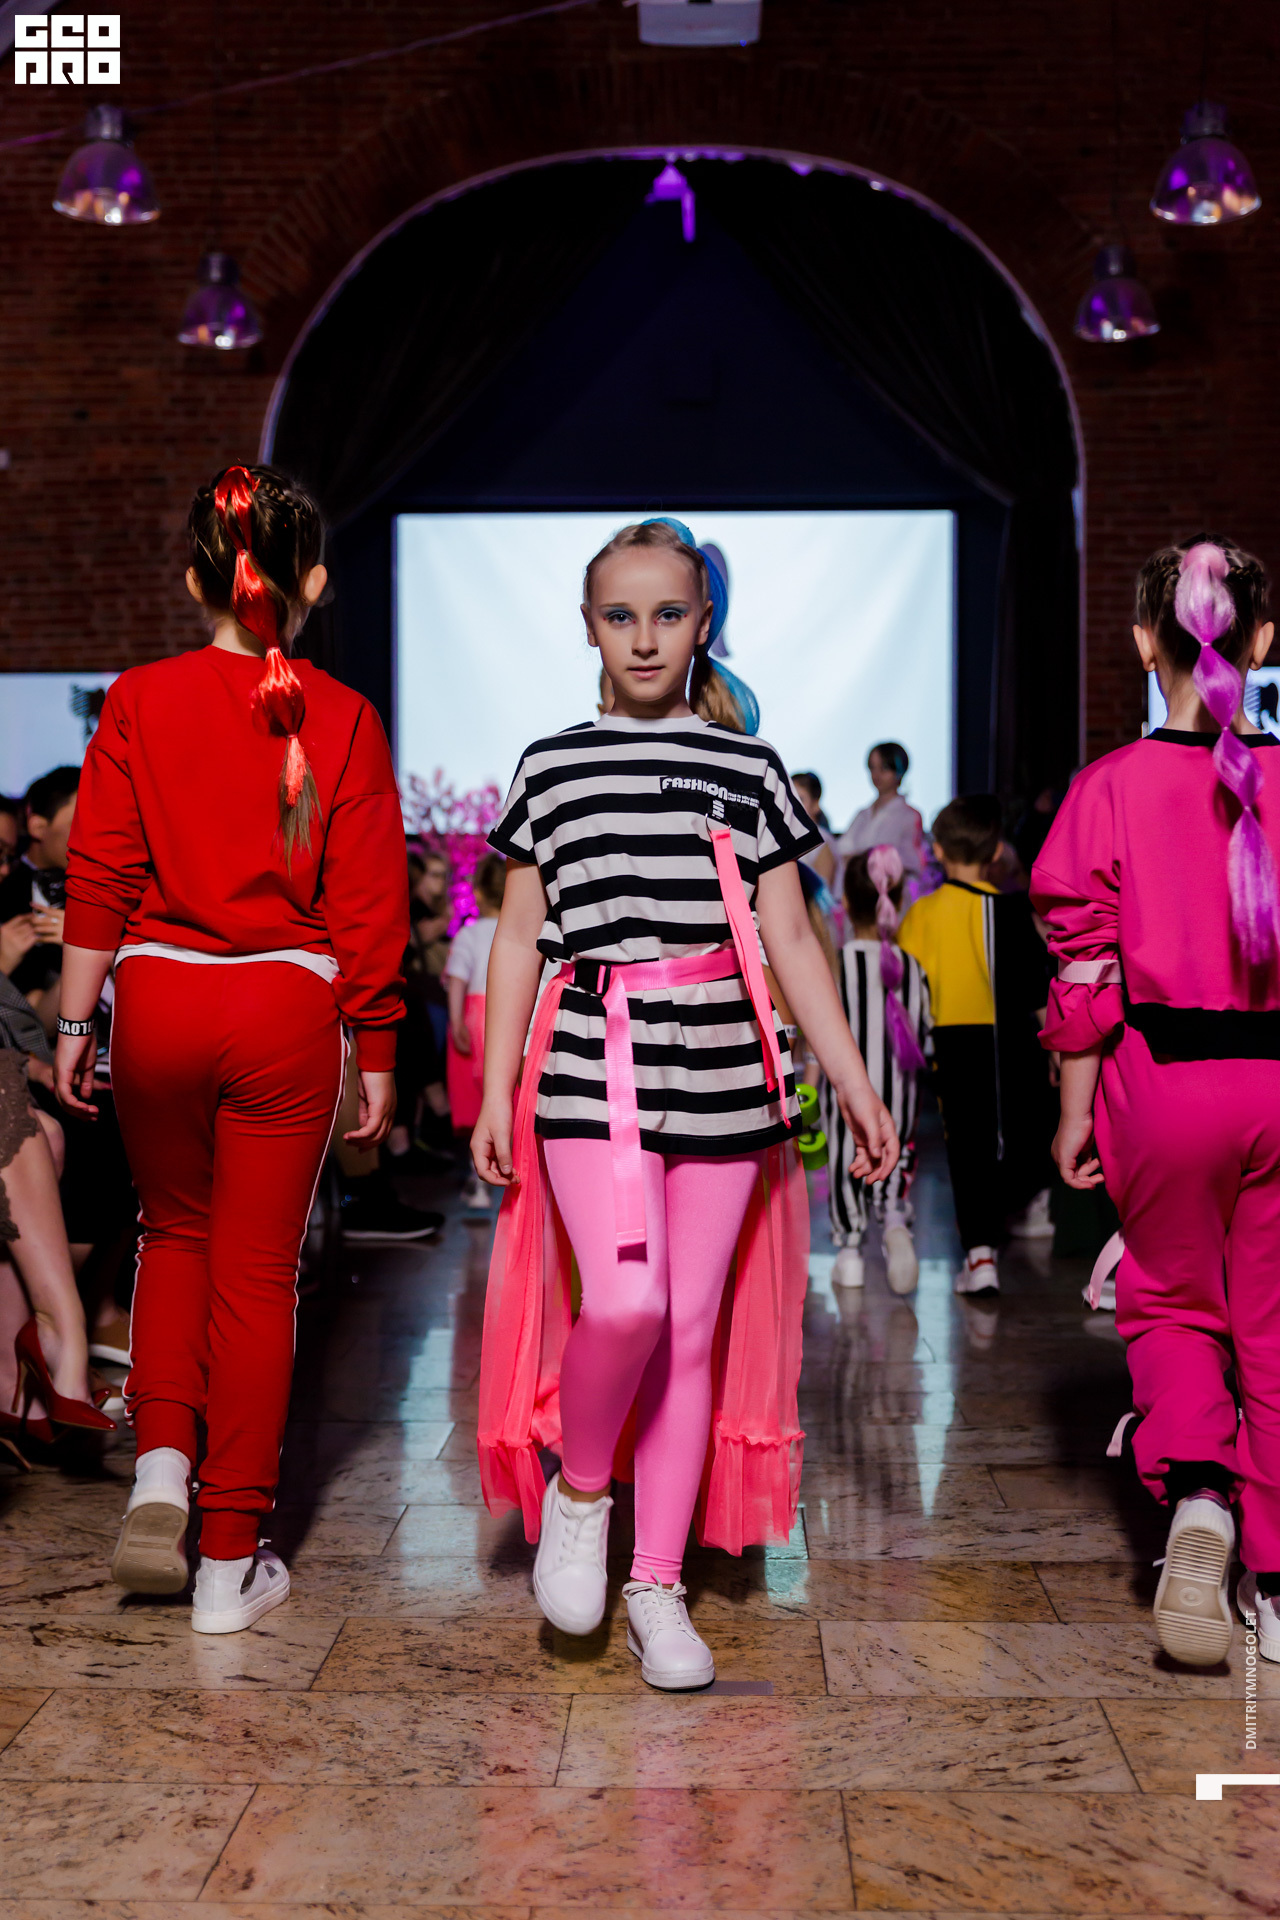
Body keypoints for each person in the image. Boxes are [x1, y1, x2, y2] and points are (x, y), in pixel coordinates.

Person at [473, 517, 898, 1690]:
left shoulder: (747, 769)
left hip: (721, 1067)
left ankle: (654, 1585)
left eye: (668, 613)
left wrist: (855, 1083)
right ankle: (581, 1495)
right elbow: (515, 937)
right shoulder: (549, 765)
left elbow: (792, 942)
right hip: (588, 1059)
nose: (645, 637)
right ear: (588, 627)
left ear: (703, 622)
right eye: (621, 615)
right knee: (625, 1304)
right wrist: (497, 1090)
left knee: (691, 1330)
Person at [56, 462, 408, 1634]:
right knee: (257, 1277)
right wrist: (379, 1047)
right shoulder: (343, 717)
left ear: (193, 578)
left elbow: (100, 871)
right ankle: (225, 1564)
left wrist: (75, 1021)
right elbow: (367, 905)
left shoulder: (139, 698)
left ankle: (159, 1468)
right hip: (282, 1010)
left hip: (157, 1001)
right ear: (311, 583)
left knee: (171, 1240)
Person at [1033, 535, 1280, 1669]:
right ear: (1261, 641)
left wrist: (1073, 1111)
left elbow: (1084, 976)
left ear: (1144, 642)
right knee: (1272, 1327)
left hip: (1162, 1082)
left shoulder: (1110, 789)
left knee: (1173, 1304)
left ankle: (1199, 1494)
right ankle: (1275, 1587)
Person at [899, 795, 1055, 1296]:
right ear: (995, 853)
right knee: (1014, 1133)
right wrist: (1056, 1050)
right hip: (1014, 1036)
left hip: (953, 1038)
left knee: (966, 1146)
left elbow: (907, 991)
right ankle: (1025, 1208)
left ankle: (980, 1255)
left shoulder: (922, 913)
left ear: (939, 851)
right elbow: (1037, 990)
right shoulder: (1012, 910)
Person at [822, 848, 931, 1296]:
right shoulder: (913, 968)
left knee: (846, 1156)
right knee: (894, 1152)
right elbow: (925, 1039)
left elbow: (820, 1038)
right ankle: (894, 1218)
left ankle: (850, 1252)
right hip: (899, 1095)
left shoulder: (835, 967)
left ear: (845, 903)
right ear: (898, 901)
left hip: (846, 1098)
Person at [445, 852, 505, 1213]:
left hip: (475, 1015)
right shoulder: (517, 930)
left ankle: (479, 1182)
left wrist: (456, 1022)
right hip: (507, 1014)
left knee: (476, 1101)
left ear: (478, 892)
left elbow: (457, 980)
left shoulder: (469, 933)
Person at [837, 743, 925, 886]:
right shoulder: (862, 815)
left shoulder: (909, 816)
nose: (876, 775)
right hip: (859, 891)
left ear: (899, 770)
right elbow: (842, 851)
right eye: (872, 768)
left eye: (884, 768)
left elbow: (910, 864)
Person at [790, 772, 838, 890]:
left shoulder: (822, 840)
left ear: (815, 805)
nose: (793, 805)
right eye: (789, 797)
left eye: (800, 799)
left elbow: (823, 892)